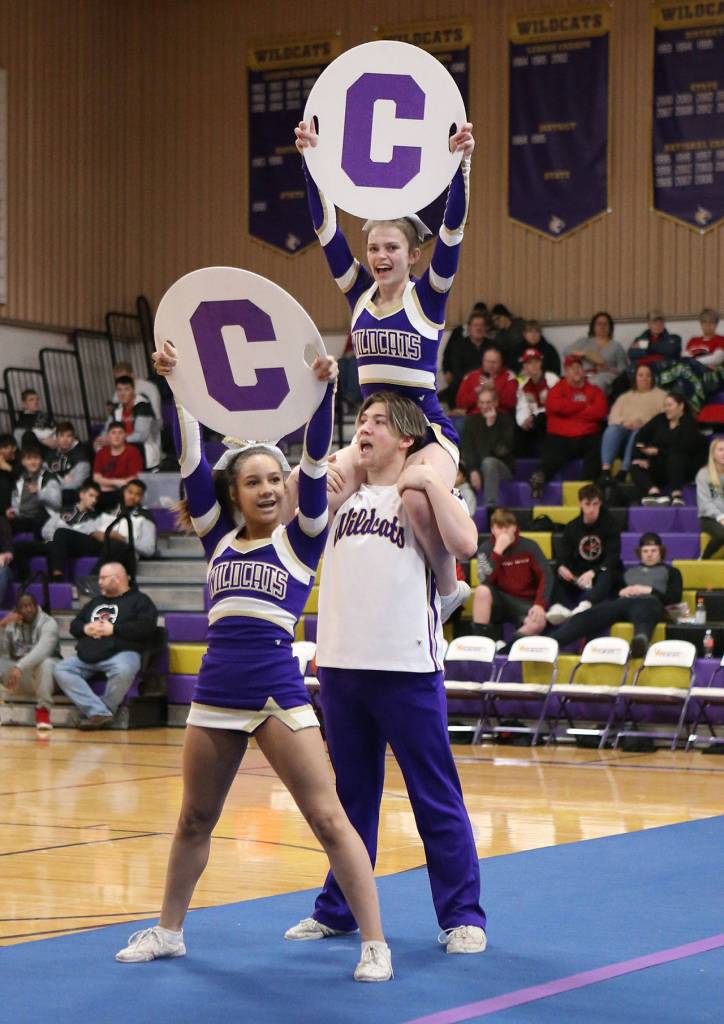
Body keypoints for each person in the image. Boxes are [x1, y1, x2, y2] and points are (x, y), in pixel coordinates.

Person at [115, 342, 392, 983]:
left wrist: (325, 391)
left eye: (274, 479)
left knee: (329, 818)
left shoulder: (303, 538)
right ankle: (169, 931)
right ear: (234, 493)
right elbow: (190, 457)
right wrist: (178, 386)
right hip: (215, 692)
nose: (268, 488)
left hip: (276, 692)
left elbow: (315, 461)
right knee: (194, 818)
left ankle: (375, 942)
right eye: (254, 482)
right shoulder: (216, 537)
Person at [284, 391, 486, 955]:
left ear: (405, 438)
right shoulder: (341, 497)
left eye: (378, 422)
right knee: (350, 800)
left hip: (406, 667)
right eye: (361, 420)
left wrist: (431, 482)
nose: (365, 429)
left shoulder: (421, 494)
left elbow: (467, 543)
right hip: (342, 667)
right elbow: (292, 500)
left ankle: (462, 916)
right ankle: (339, 909)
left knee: (434, 796)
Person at [294, 117, 475, 617]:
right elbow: (325, 230)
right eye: (374, 247)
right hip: (374, 430)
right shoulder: (357, 292)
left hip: (425, 431)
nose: (381, 255)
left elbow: (452, 232)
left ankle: (448, 590)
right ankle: (312, 586)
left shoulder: (429, 297)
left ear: (413, 254)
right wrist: (311, 161)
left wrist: (462, 164)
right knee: (316, 491)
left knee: (414, 497)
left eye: (392, 247)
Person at [54, 562, 158, 729]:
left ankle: (102, 711)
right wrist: (86, 628)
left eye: (103, 578)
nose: (99, 582)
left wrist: (114, 629)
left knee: (123, 669)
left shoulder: (140, 601)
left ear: (117, 579)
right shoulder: (95, 602)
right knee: (61, 669)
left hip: (123, 651)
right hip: (89, 652)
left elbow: (147, 628)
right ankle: (99, 712)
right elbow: (75, 625)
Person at [547, 532, 683, 659]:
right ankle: (551, 642)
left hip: (651, 602)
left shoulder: (672, 572)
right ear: (640, 553)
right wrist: (621, 592)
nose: (649, 555)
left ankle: (641, 641)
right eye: (645, 551)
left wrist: (649, 590)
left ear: (661, 552)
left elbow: (674, 598)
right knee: (587, 615)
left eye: (653, 551)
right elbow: (613, 592)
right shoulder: (628, 572)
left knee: (647, 610)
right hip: (624, 603)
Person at [529, 355, 607, 498]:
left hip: (586, 435)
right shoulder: (557, 389)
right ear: (565, 372)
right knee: (552, 449)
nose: (576, 370)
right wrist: (584, 406)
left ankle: (586, 487)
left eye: (578, 367)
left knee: (596, 446)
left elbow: (599, 412)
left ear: (583, 371)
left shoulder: (595, 391)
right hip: (561, 436)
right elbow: (554, 407)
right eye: (571, 368)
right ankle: (540, 476)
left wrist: (568, 412)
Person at [48, 478, 156, 580]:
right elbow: (86, 528)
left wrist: (122, 539)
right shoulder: (109, 512)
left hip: (124, 552)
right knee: (61, 533)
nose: (132, 497)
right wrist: (94, 533)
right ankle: (57, 578)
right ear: (124, 491)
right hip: (101, 545)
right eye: (130, 492)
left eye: (137, 494)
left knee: (117, 545)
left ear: (141, 497)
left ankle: (91, 581)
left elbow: (149, 549)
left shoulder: (145, 517)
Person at [472, 508, 553, 642]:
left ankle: (506, 648)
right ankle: (481, 644)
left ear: (515, 527)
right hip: (499, 599)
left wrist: (540, 604)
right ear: (492, 529)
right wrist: (497, 552)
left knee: (538, 623)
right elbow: (484, 580)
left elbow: (546, 575)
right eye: (499, 527)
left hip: (525, 602)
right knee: (481, 591)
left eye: (508, 526)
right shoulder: (485, 549)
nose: (504, 531)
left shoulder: (530, 546)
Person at [545, 484, 621, 625]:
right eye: (587, 504)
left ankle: (586, 604)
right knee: (554, 570)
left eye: (595, 504)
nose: (591, 509)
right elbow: (563, 554)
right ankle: (558, 606)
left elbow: (613, 557)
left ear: (600, 503)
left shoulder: (611, 525)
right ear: (580, 503)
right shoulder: (572, 527)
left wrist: (593, 572)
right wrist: (562, 567)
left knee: (608, 572)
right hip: (579, 574)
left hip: (600, 572)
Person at [10, 479, 102, 581]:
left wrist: (61, 530)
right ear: (82, 495)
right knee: (19, 546)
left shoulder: (94, 517)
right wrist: (58, 536)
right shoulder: (65, 510)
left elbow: (84, 533)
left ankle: (57, 579)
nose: (94, 500)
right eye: (91, 496)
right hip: (53, 543)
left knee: (60, 534)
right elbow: (46, 529)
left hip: (71, 548)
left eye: (96, 498)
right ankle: (25, 580)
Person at [630, 391, 708, 506]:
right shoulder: (660, 419)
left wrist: (658, 452)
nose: (666, 408)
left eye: (670, 405)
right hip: (661, 465)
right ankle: (654, 494)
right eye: (665, 405)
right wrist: (640, 456)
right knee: (636, 466)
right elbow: (640, 437)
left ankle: (677, 496)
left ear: (681, 406)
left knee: (676, 457)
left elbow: (684, 448)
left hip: (684, 467)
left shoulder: (689, 423)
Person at [0, 592, 60, 730]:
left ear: (36, 606)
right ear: (17, 610)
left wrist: (19, 667)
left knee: (45, 663)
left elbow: (43, 650)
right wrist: (2, 625)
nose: (28, 610)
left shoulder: (48, 623)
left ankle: (43, 712)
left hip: (48, 676)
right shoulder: (12, 624)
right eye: (23, 607)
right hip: (21, 677)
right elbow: (3, 652)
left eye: (31, 605)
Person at [599, 364, 667, 479]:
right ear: (635, 378)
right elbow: (612, 417)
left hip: (646, 434)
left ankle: (624, 471)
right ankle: (606, 470)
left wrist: (644, 424)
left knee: (638, 433)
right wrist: (624, 423)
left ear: (652, 378)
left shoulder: (662, 396)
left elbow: (663, 418)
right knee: (612, 430)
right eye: (641, 375)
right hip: (624, 429)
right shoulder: (625, 397)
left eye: (648, 375)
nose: (644, 378)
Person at [460, 386, 514, 508]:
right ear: (478, 403)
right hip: (478, 466)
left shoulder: (506, 421)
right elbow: (467, 449)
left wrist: (491, 426)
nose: (485, 406)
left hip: (502, 466)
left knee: (488, 463)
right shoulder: (471, 422)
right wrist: (473, 470)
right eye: (482, 402)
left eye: (488, 402)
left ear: (496, 402)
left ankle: (490, 507)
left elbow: (501, 451)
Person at [101, 376, 161, 470]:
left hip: (144, 452)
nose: (122, 393)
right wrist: (101, 440)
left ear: (133, 390)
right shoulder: (117, 409)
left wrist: (116, 440)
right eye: (119, 390)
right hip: (123, 450)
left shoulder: (143, 407)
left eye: (126, 389)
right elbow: (106, 429)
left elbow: (141, 436)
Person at [564, 311, 627, 395]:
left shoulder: (616, 346)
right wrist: (584, 353)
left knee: (596, 382)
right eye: (599, 324)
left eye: (605, 324)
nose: (602, 327)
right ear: (593, 326)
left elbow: (623, 369)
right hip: (584, 375)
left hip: (605, 377)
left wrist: (607, 369)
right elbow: (566, 351)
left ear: (610, 328)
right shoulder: (584, 342)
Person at [6, 446, 61, 538]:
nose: (32, 462)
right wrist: (13, 511)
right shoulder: (20, 479)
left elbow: (57, 504)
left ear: (41, 461)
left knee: (39, 517)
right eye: (29, 458)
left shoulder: (49, 478)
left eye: (36, 458)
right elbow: (16, 503)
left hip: (42, 520)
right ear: (23, 462)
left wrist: (39, 492)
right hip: (22, 519)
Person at [439, 308, 489, 408]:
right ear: (469, 328)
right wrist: (474, 379)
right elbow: (457, 371)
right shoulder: (458, 346)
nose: (478, 328)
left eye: (481, 325)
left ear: (485, 328)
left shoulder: (492, 346)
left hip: (486, 385)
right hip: (463, 384)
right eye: (475, 325)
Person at [456, 346, 518, 418]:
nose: (490, 365)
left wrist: (494, 389)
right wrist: (477, 392)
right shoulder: (471, 376)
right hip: (475, 417)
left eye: (494, 362)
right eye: (487, 361)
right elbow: (460, 404)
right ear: (482, 361)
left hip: (500, 417)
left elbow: (512, 402)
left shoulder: (509, 376)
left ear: (501, 362)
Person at [93, 422, 144, 506]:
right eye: (113, 433)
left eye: (120, 433)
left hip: (124, 492)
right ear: (108, 436)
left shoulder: (133, 452)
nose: (116, 436)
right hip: (104, 491)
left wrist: (108, 484)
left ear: (125, 435)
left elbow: (134, 478)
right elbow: (96, 478)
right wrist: (116, 482)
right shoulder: (101, 453)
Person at [515, 348, 559, 445]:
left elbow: (556, 405)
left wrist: (534, 417)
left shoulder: (551, 379)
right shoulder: (522, 384)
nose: (534, 365)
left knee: (541, 419)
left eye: (536, 362)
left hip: (550, 420)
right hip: (533, 423)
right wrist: (524, 421)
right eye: (529, 363)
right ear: (524, 366)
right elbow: (522, 406)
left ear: (541, 363)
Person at [46, 421, 92, 503]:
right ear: (56, 437)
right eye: (61, 436)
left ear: (73, 438)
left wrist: (55, 483)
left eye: (69, 436)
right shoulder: (50, 455)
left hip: (74, 494)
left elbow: (76, 483)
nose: (65, 439)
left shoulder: (81, 456)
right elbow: (43, 476)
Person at [697, 438, 724, 560]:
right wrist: (721, 517)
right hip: (710, 518)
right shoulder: (704, 474)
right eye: (720, 450)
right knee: (722, 534)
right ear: (713, 454)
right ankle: (704, 558)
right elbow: (705, 502)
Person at [13, 389, 56, 453]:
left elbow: (56, 428)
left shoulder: (44, 416)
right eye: (31, 400)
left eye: (37, 399)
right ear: (24, 404)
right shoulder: (22, 421)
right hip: (35, 451)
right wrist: (43, 440)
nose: (36, 402)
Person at [489, 304, 525, 369]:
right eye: (494, 321)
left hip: (526, 363)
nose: (496, 323)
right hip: (510, 368)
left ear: (504, 315)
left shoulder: (521, 326)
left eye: (497, 318)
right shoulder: (498, 337)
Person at [0, 433, 19, 515]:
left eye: (4, 447)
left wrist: (8, 468)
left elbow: (23, 479)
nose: (1, 451)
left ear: (14, 448)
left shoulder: (21, 460)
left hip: (17, 506)